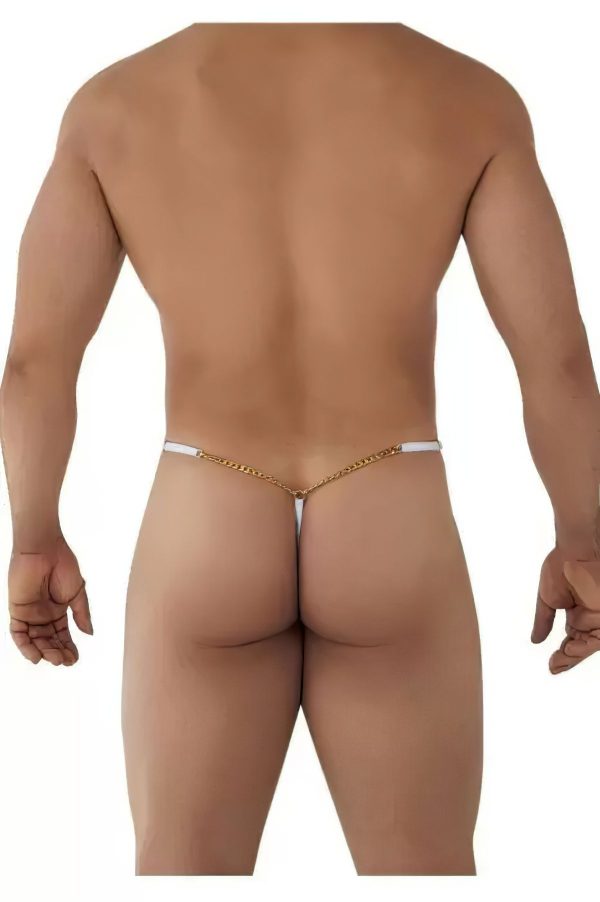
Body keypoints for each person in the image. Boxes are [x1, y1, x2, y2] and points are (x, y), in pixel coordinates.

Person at [1, 22, 598, 877]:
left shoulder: (115, 104)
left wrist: (33, 536)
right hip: (386, 502)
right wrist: (584, 540)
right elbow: (558, 363)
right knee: (424, 870)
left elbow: (34, 363)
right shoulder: (470, 96)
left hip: (209, 503)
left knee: (182, 868)